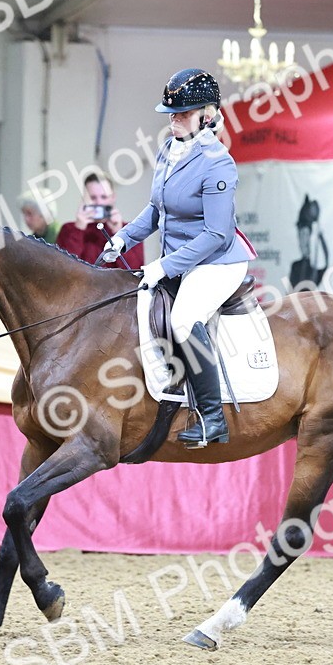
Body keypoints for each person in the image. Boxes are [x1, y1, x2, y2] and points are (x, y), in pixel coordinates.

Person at [103, 68, 252, 448]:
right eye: (171, 114)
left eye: (182, 114)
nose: (174, 120)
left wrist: (164, 266)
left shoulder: (218, 163)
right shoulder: (169, 149)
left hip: (217, 262)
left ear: (207, 115)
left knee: (184, 319)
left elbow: (217, 234)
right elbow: (157, 210)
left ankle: (212, 418)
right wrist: (123, 238)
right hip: (182, 258)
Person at [56, 173, 143, 268]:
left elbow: (134, 270)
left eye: (104, 197)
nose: (99, 202)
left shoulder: (130, 230)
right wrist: (78, 230)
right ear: (84, 199)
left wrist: (119, 234)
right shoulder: (68, 229)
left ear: (113, 197)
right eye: (93, 197)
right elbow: (63, 268)